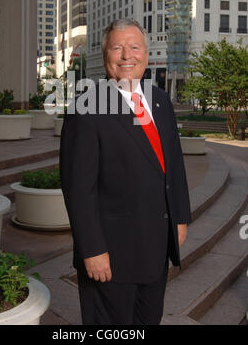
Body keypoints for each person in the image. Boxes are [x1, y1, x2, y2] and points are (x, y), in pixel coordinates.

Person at [60, 19, 191, 325]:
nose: (126, 56)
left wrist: (181, 217)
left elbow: (173, 164)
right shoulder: (86, 107)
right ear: (105, 55)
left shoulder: (159, 100)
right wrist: (92, 250)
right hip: (111, 256)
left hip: (155, 248)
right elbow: (79, 189)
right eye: (117, 48)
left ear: (145, 53)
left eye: (134, 47)